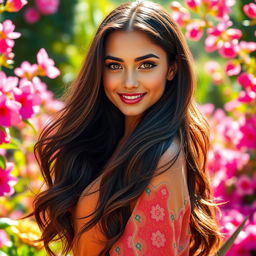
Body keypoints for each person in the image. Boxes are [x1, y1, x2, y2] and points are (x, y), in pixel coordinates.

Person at [31, 1, 224, 255]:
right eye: (115, 65)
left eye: (146, 65)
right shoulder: (118, 141)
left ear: (172, 68)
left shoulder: (161, 158)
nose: (129, 82)